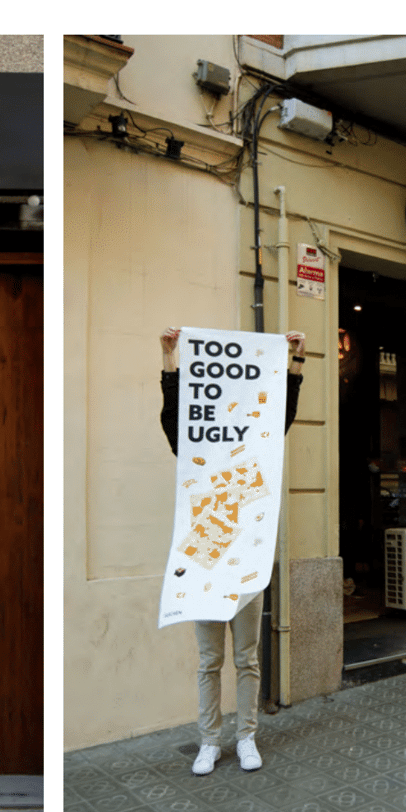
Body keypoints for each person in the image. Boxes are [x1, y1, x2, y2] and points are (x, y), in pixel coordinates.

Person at [159, 327, 304, 777]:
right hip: (205, 550)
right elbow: (173, 416)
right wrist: (170, 358)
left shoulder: (255, 446)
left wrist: (295, 361)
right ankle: (208, 742)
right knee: (210, 660)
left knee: (246, 658)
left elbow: (281, 413)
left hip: (247, 551)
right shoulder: (194, 444)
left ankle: (246, 738)